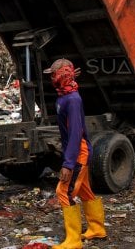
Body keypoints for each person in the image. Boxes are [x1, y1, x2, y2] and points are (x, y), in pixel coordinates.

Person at [43, 58, 107, 249]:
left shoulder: (72, 99)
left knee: (63, 191)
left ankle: (73, 240)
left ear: (62, 76)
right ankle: (97, 228)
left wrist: (68, 164)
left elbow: (75, 133)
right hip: (77, 150)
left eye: (54, 75)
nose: (51, 79)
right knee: (85, 190)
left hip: (78, 152)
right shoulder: (65, 96)